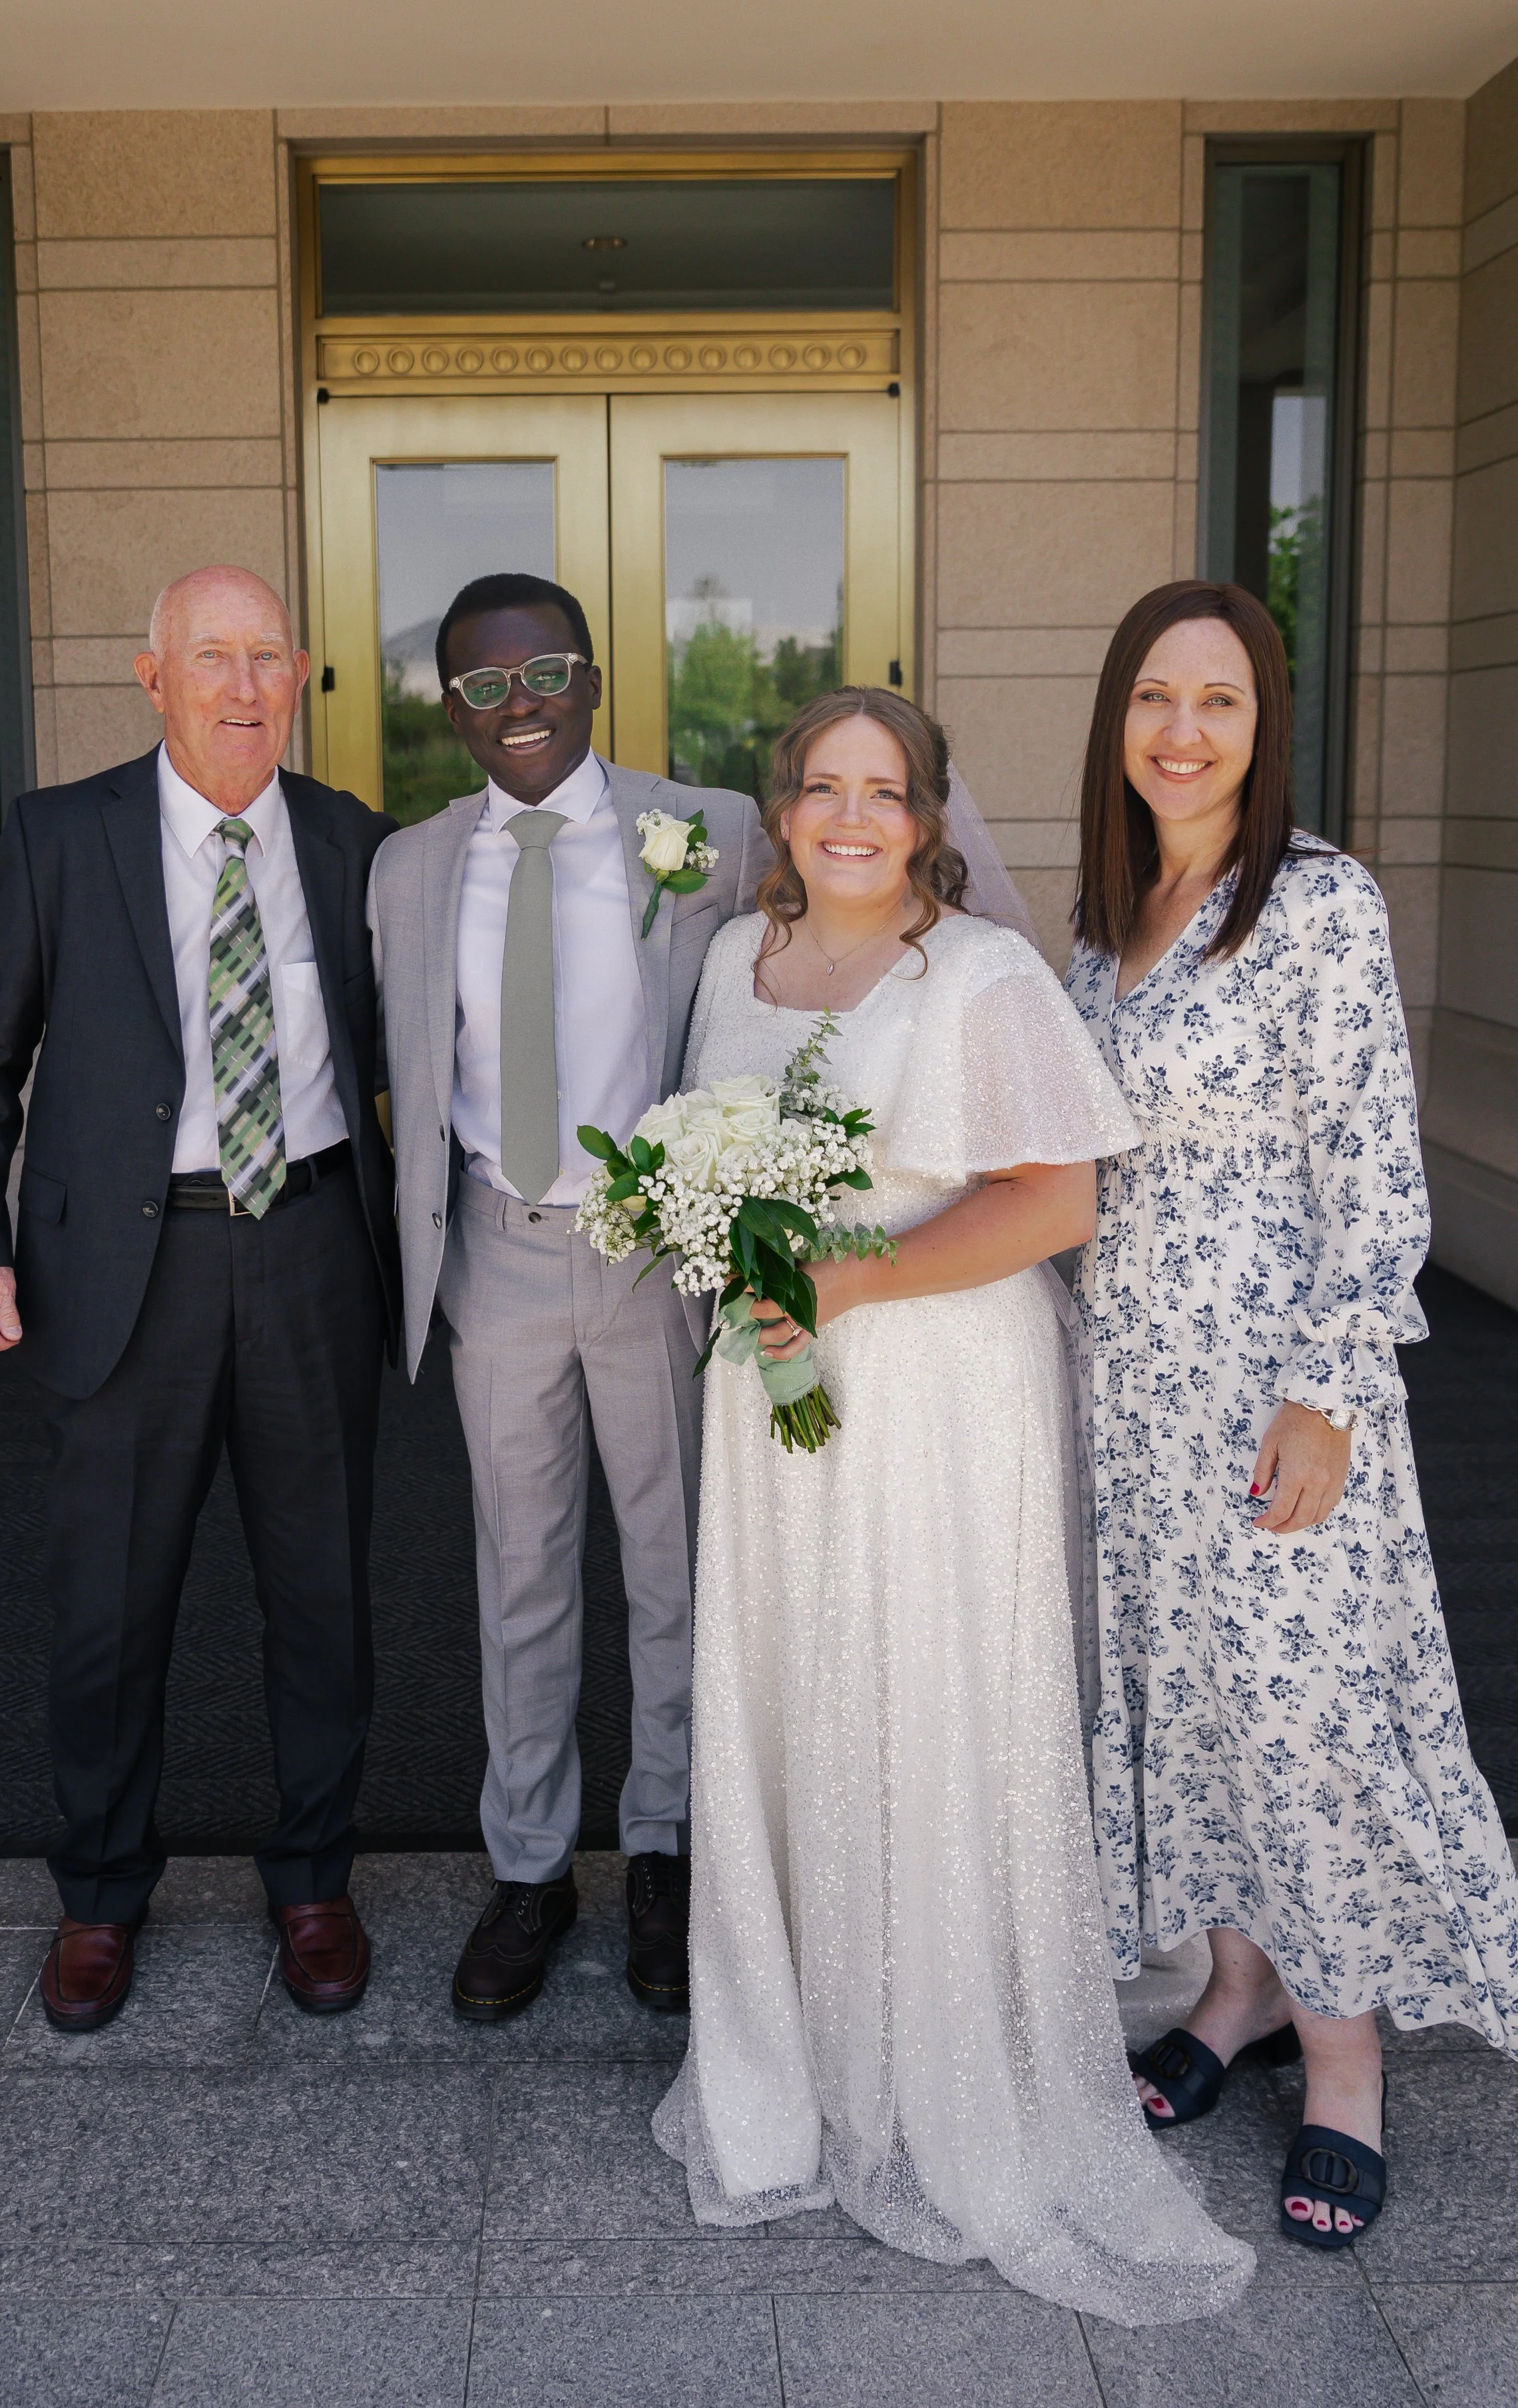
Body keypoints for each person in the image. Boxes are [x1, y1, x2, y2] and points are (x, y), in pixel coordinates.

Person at [652, 687, 1253, 2323]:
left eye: (887, 790)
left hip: (928, 1384)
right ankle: (808, 2045)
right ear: (781, 810)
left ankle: (943, 2056)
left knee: (917, 1689)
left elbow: (1059, 1198)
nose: (853, 817)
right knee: (799, 1698)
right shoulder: (734, 964)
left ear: (927, 816)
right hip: (777, 1384)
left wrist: (853, 1277)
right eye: (823, 788)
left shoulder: (976, 974)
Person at [1065, 579, 1518, 2250]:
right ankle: (1238, 1989)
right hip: (1139, 1403)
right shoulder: (1102, 927)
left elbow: (1380, 1177)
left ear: (1265, 726)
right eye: (1154, 699)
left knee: (1308, 1722)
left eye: (1221, 701)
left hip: (1275, 1398)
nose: (1182, 731)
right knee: (1195, 1704)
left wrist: (1327, 1392)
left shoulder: (1316, 903)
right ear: (1115, 721)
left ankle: (1347, 2061)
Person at [0, 567, 399, 2031]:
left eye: (268, 656)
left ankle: (313, 1880)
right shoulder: (62, 838)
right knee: (107, 1608)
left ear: (302, 674)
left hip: (313, 1246)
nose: (244, 685)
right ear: (154, 679)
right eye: (213, 657)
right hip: (120, 1270)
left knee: (321, 1599)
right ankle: (100, 1896)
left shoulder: (354, 846)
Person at [370, 571, 768, 2020]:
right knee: (518, 1574)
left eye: (540, 674)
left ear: (591, 678)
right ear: (451, 712)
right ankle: (529, 1868)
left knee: (672, 1570)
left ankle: (661, 1851)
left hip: (652, 1248)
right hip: (495, 1244)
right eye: (479, 687)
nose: (516, 707)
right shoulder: (410, 870)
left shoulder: (711, 833)